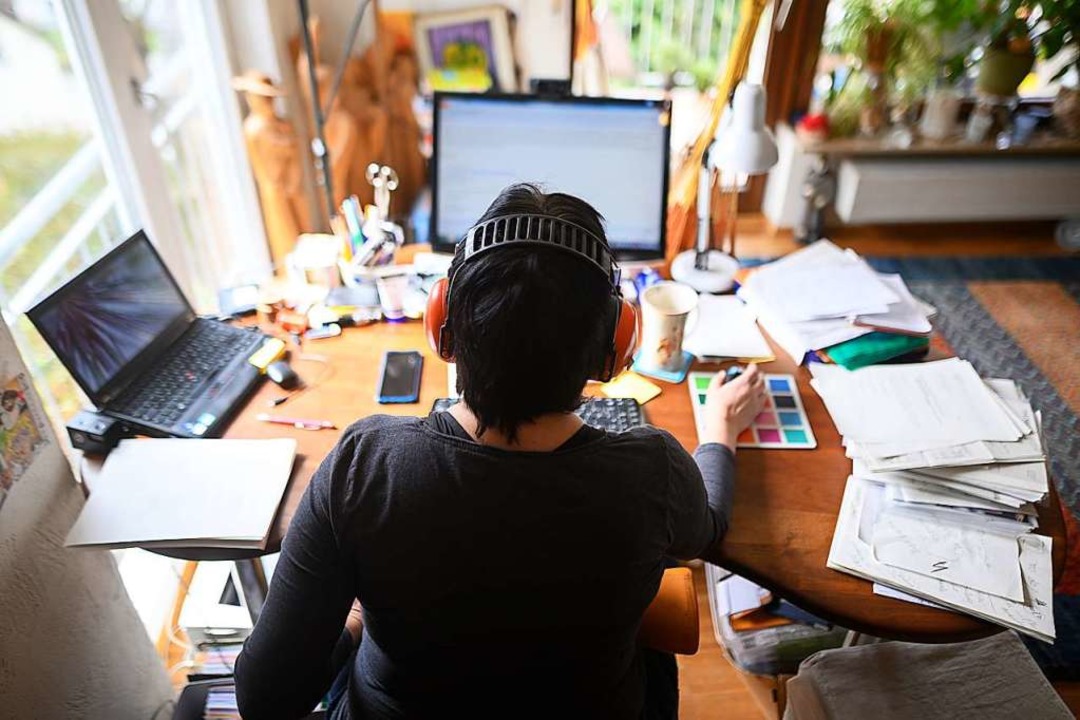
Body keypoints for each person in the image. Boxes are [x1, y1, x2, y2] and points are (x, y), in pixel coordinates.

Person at [234, 184, 766, 719]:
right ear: (615, 346)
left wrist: (353, 621)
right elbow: (708, 528)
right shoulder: (653, 471)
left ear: (442, 323)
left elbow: (266, 698)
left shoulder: (365, 465)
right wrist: (718, 429)